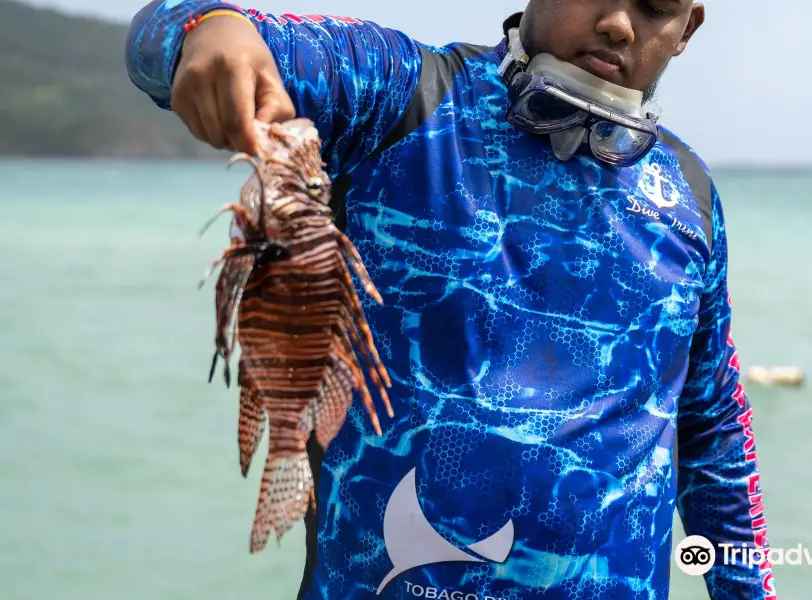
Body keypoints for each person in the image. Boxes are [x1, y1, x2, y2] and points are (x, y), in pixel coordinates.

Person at [126, 2, 777, 599]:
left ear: (687, 28)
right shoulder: (401, 93)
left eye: (655, 6)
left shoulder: (689, 195)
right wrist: (209, 31)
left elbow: (713, 435)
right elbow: (171, 29)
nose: (618, 23)